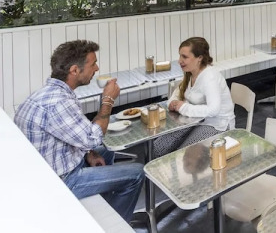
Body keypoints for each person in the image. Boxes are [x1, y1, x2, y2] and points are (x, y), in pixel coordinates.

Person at [14, 40, 145, 221]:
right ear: (75, 70)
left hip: (51, 167)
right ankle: (115, 225)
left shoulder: (48, 94)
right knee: (137, 173)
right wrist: (108, 100)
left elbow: (76, 136)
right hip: (59, 181)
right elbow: (93, 138)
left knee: (105, 152)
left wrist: (90, 154)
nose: (97, 68)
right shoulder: (59, 103)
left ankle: (106, 208)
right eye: (93, 64)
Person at [154, 37, 235, 156]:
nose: (179, 61)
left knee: (184, 153)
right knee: (159, 147)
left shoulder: (210, 77)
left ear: (199, 58)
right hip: (196, 119)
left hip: (217, 124)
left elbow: (213, 110)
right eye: (180, 56)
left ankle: (177, 167)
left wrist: (182, 107)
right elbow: (178, 93)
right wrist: (173, 102)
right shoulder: (191, 73)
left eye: (185, 57)